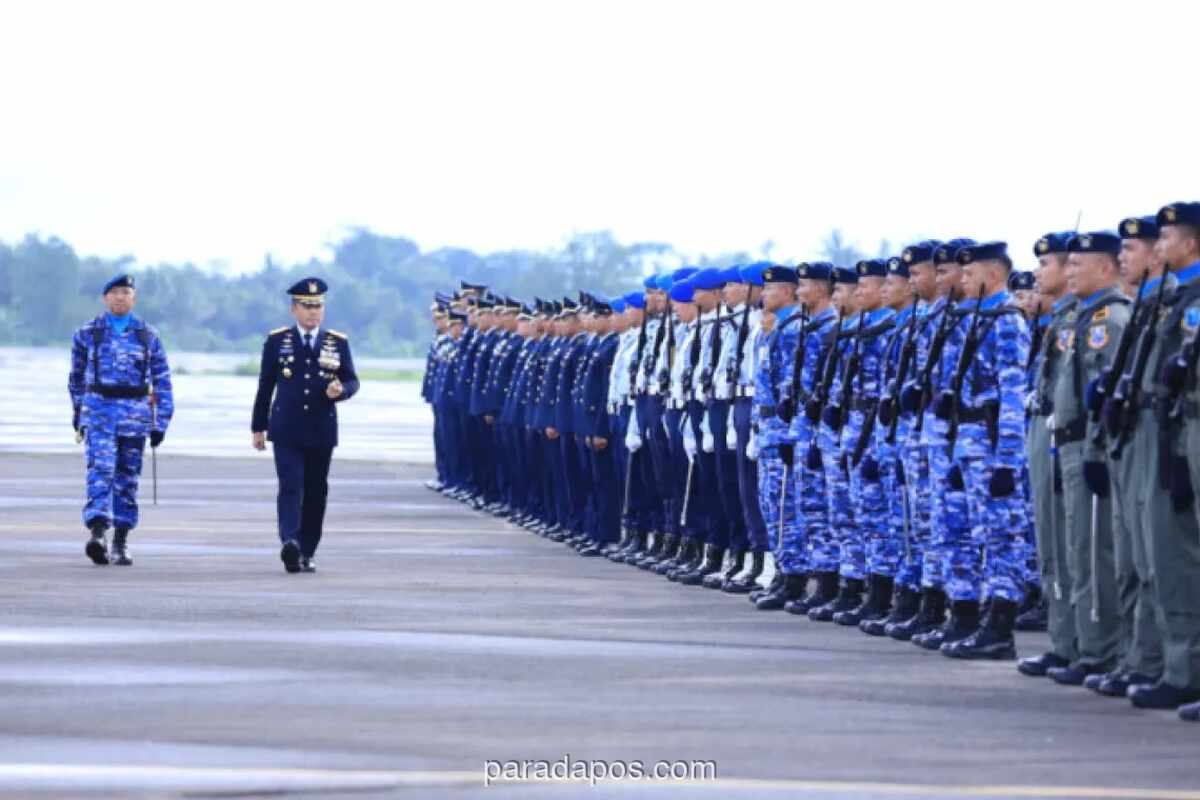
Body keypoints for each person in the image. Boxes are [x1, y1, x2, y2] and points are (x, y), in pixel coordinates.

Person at [251, 278, 359, 574]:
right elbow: (265, 387)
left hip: (321, 430)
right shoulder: (277, 342)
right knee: (290, 486)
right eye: (307, 306)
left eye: (318, 306)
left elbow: (352, 379)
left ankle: (308, 549)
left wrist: (343, 390)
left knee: (315, 491)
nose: (314, 312)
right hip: (286, 429)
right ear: (294, 309)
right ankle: (290, 542)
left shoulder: (337, 342)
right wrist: (258, 427)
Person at [68, 274, 174, 566]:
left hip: (135, 416)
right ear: (105, 298)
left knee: (127, 478)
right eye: (114, 292)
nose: (119, 297)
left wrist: (160, 422)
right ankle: (98, 532)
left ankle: (121, 540)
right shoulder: (88, 333)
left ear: (133, 298)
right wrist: (79, 412)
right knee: (100, 470)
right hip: (100, 411)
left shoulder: (147, 335)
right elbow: (76, 377)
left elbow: (162, 381)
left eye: (125, 292)